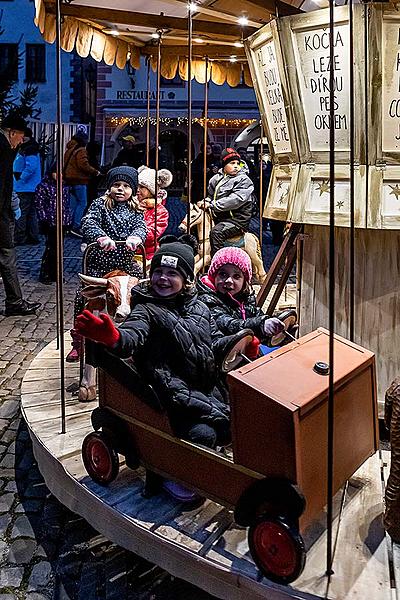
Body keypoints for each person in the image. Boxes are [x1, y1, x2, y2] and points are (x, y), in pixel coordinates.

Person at [75, 236, 231, 451]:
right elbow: (133, 334)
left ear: (186, 280)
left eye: (172, 273)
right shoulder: (145, 310)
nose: (163, 278)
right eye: (158, 272)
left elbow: (215, 341)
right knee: (204, 434)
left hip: (205, 385)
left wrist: (240, 343)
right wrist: (114, 338)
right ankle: (175, 478)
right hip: (170, 390)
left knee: (236, 421)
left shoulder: (200, 308)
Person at [66, 166, 146, 362]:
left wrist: (136, 237)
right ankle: (79, 338)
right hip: (100, 265)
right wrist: (101, 237)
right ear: (109, 187)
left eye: (126, 186)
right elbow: (89, 221)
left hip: (125, 265)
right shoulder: (100, 205)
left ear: (133, 190)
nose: (120, 189)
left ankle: (138, 329)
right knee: (82, 296)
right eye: (116, 185)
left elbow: (141, 225)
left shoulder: (135, 209)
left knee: (142, 288)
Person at [197, 247, 284, 349]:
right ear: (214, 276)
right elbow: (227, 324)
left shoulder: (245, 298)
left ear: (244, 281)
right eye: (223, 274)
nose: (229, 280)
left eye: (236, 276)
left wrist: (273, 329)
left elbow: (257, 316)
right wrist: (260, 324)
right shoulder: (207, 299)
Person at [0, 114, 41, 316]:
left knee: (7, 256)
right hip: (1, 214)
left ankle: (15, 301)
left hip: (4, 211)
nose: (20, 142)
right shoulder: (3, 148)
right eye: (20, 137)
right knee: (7, 256)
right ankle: (15, 302)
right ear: (12, 133)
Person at [200, 148, 254, 256]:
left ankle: (218, 262)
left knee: (216, 232)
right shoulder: (216, 179)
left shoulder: (244, 179)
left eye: (237, 163)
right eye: (232, 163)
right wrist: (206, 201)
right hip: (220, 217)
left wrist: (212, 205)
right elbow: (211, 194)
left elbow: (236, 199)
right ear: (224, 165)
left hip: (237, 220)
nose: (236, 166)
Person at [35, 163, 72, 284]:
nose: (59, 175)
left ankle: (55, 274)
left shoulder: (64, 187)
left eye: (61, 173)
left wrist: (68, 221)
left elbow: (66, 206)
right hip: (50, 222)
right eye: (57, 172)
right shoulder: (44, 186)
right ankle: (45, 273)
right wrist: (43, 220)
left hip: (62, 222)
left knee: (59, 250)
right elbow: (39, 205)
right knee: (51, 248)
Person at [63, 130, 100, 236]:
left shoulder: (69, 149)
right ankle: (76, 226)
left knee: (73, 204)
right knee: (82, 203)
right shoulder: (81, 150)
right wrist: (95, 171)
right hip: (79, 180)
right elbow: (83, 165)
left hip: (69, 180)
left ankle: (69, 225)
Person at [137, 165, 172, 261]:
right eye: (137, 186)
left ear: (151, 191)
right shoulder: (129, 204)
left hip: (147, 254)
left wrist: (133, 233)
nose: (137, 190)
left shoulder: (160, 211)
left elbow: (153, 234)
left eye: (142, 187)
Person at [13, 127, 42, 245]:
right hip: (28, 186)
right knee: (30, 213)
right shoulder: (29, 148)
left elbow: (31, 167)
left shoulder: (30, 149)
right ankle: (33, 236)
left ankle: (20, 237)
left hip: (25, 186)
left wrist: (20, 177)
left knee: (22, 212)